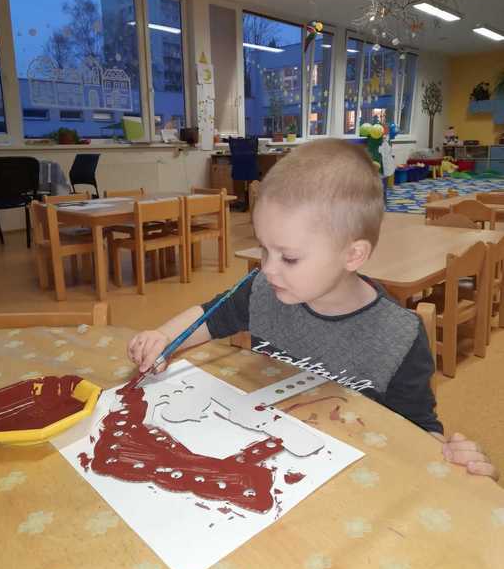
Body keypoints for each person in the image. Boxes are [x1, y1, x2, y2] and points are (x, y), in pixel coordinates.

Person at [128, 139, 497, 480]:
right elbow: (209, 316)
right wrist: (164, 336)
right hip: (270, 460)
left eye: (288, 257)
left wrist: (450, 455)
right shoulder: (264, 292)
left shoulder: (399, 336)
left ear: (353, 255)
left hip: (349, 478)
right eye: (264, 249)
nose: (267, 269)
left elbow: (418, 429)